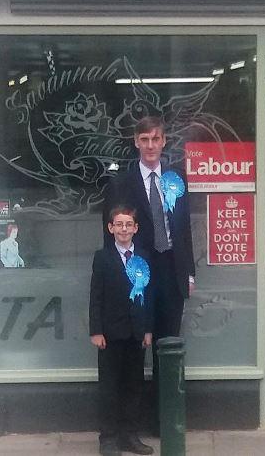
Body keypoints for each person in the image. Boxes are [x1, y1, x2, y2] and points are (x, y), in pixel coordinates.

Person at [102, 116, 195, 432]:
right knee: (136, 345)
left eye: (156, 139)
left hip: (172, 270)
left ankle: (164, 421)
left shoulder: (175, 178)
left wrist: (189, 272)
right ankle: (132, 423)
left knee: (167, 346)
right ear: (136, 142)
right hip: (137, 273)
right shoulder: (121, 184)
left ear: (164, 141)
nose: (151, 145)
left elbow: (184, 228)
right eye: (144, 140)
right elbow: (111, 234)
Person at [89, 206, 154, 455]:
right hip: (110, 334)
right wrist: (96, 331)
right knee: (110, 387)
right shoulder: (102, 257)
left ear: (136, 228)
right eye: (119, 224)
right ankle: (108, 438)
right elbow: (95, 296)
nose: (124, 229)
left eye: (129, 224)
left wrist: (148, 329)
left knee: (133, 386)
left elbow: (149, 296)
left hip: (136, 333)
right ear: (111, 228)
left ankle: (130, 436)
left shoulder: (144, 257)